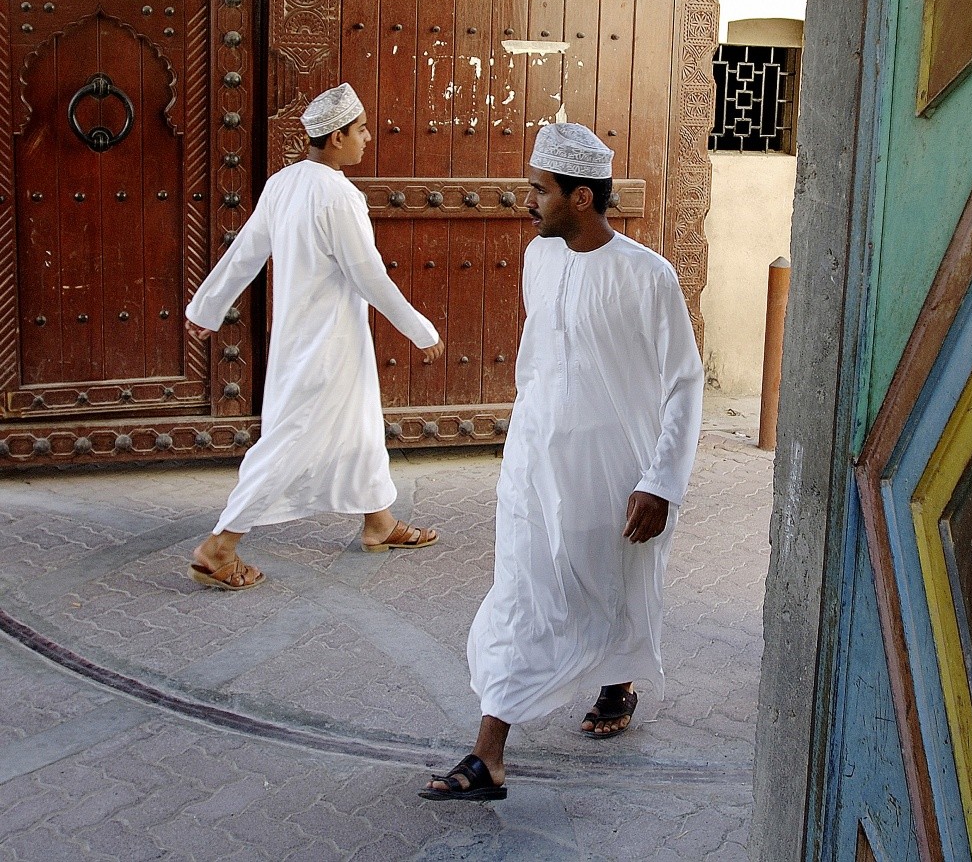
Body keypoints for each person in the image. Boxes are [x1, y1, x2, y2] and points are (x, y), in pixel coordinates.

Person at [420, 122, 703, 802]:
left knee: (609, 579)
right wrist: (523, 443)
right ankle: (488, 755)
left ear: (581, 197)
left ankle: (617, 680)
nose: (527, 201)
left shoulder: (648, 275)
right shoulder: (537, 257)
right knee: (524, 591)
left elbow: (683, 383)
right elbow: (539, 360)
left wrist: (660, 482)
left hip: (612, 466)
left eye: (539, 190)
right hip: (534, 458)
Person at [185, 83, 445, 591]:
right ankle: (219, 546)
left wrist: (206, 307)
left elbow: (245, 252)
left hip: (308, 339)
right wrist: (420, 330)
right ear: (336, 136)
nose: (367, 138)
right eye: (361, 130)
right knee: (291, 440)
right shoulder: (339, 196)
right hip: (327, 347)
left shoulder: (283, 183)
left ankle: (379, 522)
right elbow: (369, 276)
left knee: (360, 425)